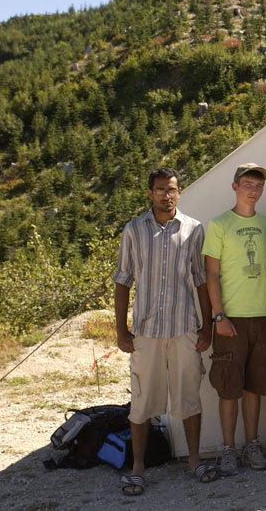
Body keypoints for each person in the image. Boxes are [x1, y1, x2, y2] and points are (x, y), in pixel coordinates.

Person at [114, 167, 218, 496]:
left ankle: (194, 460)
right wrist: (121, 330)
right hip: (146, 330)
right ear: (150, 193)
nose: (166, 195)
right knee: (142, 401)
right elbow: (122, 280)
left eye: (171, 189)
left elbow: (201, 279)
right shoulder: (133, 230)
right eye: (160, 189)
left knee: (189, 395)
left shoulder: (193, 230)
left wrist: (206, 326)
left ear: (180, 191)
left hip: (184, 327)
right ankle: (139, 467)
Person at [202, 163, 266, 476]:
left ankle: (252, 445)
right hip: (230, 319)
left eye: (258, 185)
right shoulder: (219, 224)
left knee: (255, 386)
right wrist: (218, 316)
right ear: (235, 186)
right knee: (229, 387)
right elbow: (211, 273)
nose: (253, 190)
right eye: (247, 183)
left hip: (263, 316)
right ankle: (229, 449)